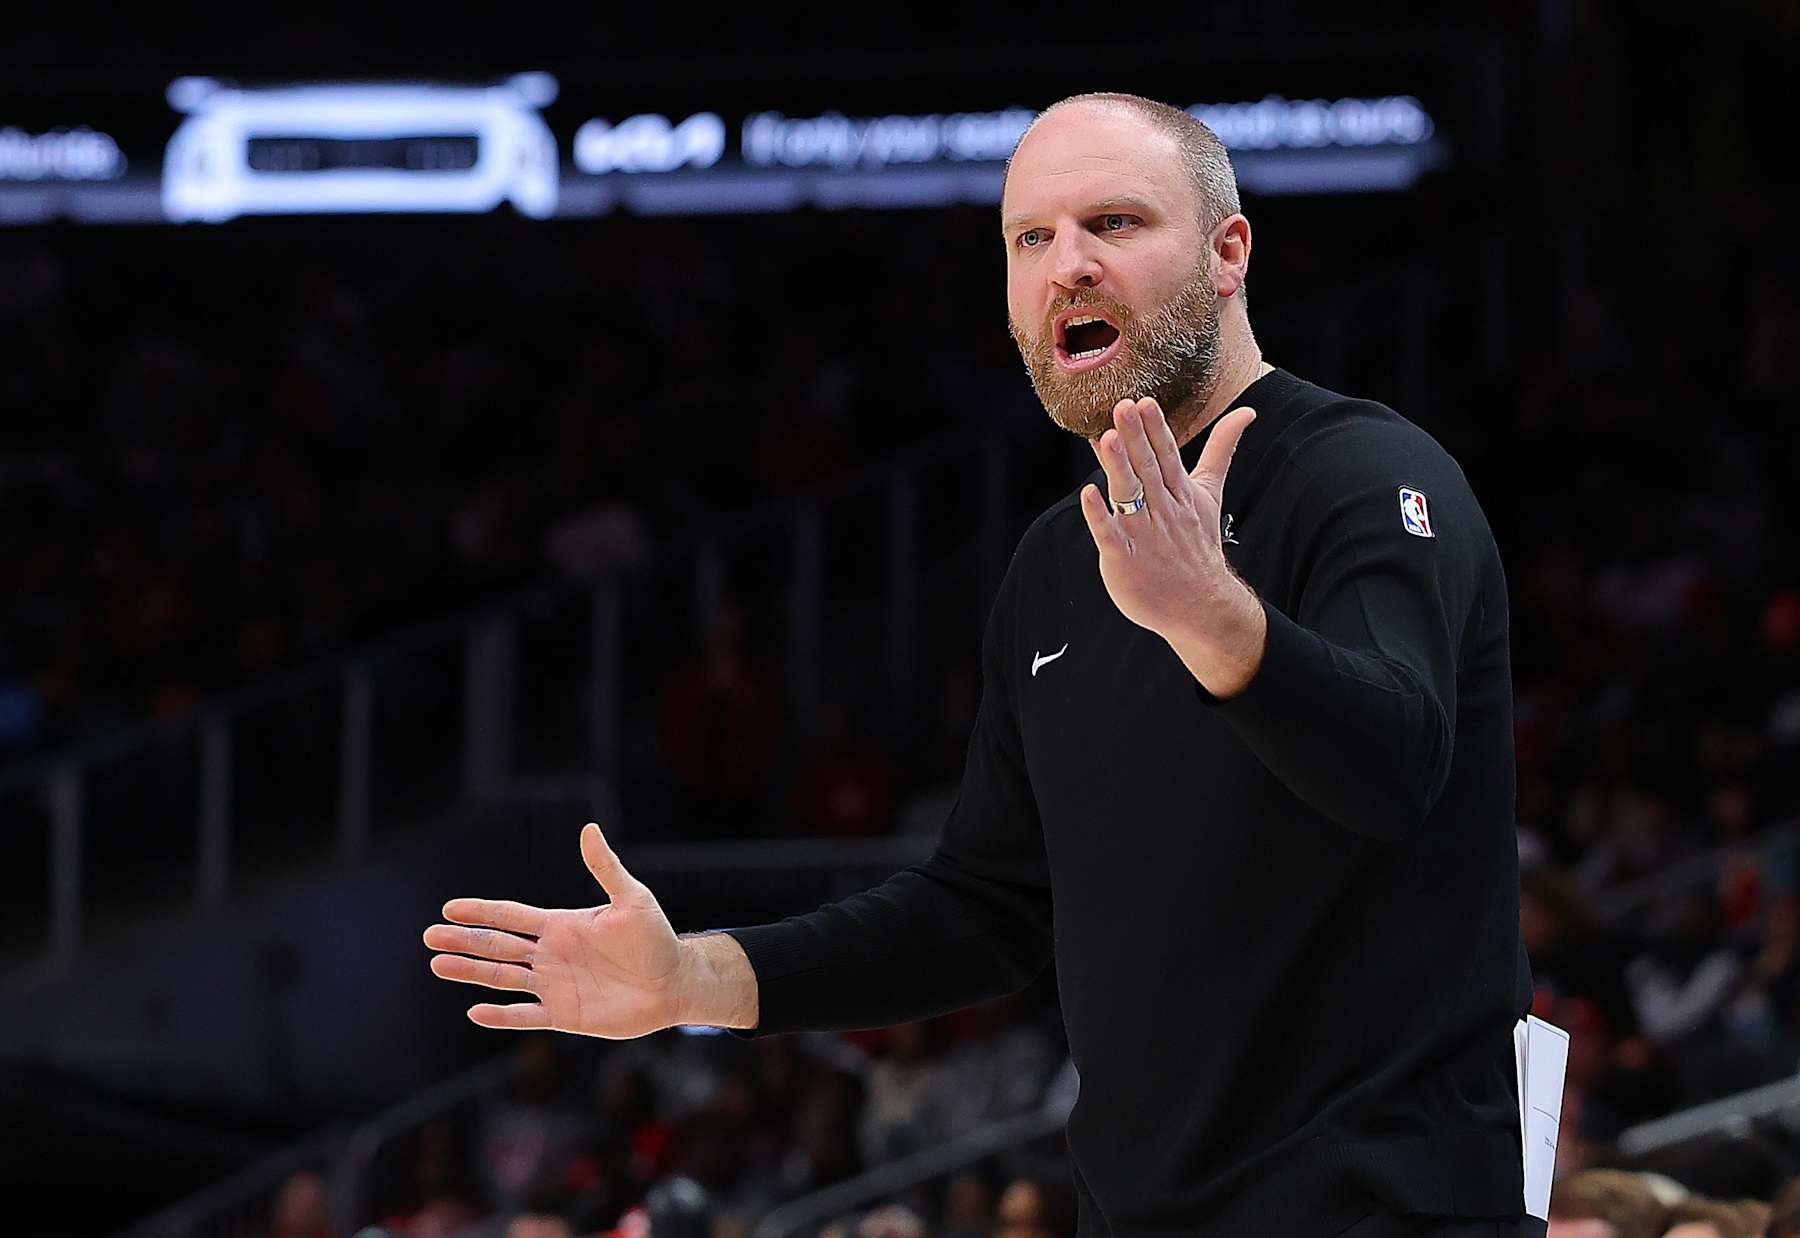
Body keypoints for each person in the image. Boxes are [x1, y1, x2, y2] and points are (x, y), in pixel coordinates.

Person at [425, 92, 1538, 1236]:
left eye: (1114, 223)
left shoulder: (1367, 475)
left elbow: (1400, 762)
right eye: (1031, 238)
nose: (1068, 266)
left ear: (1228, 252)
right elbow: (984, 910)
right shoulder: (1057, 563)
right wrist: (690, 980)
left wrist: (1215, 617)